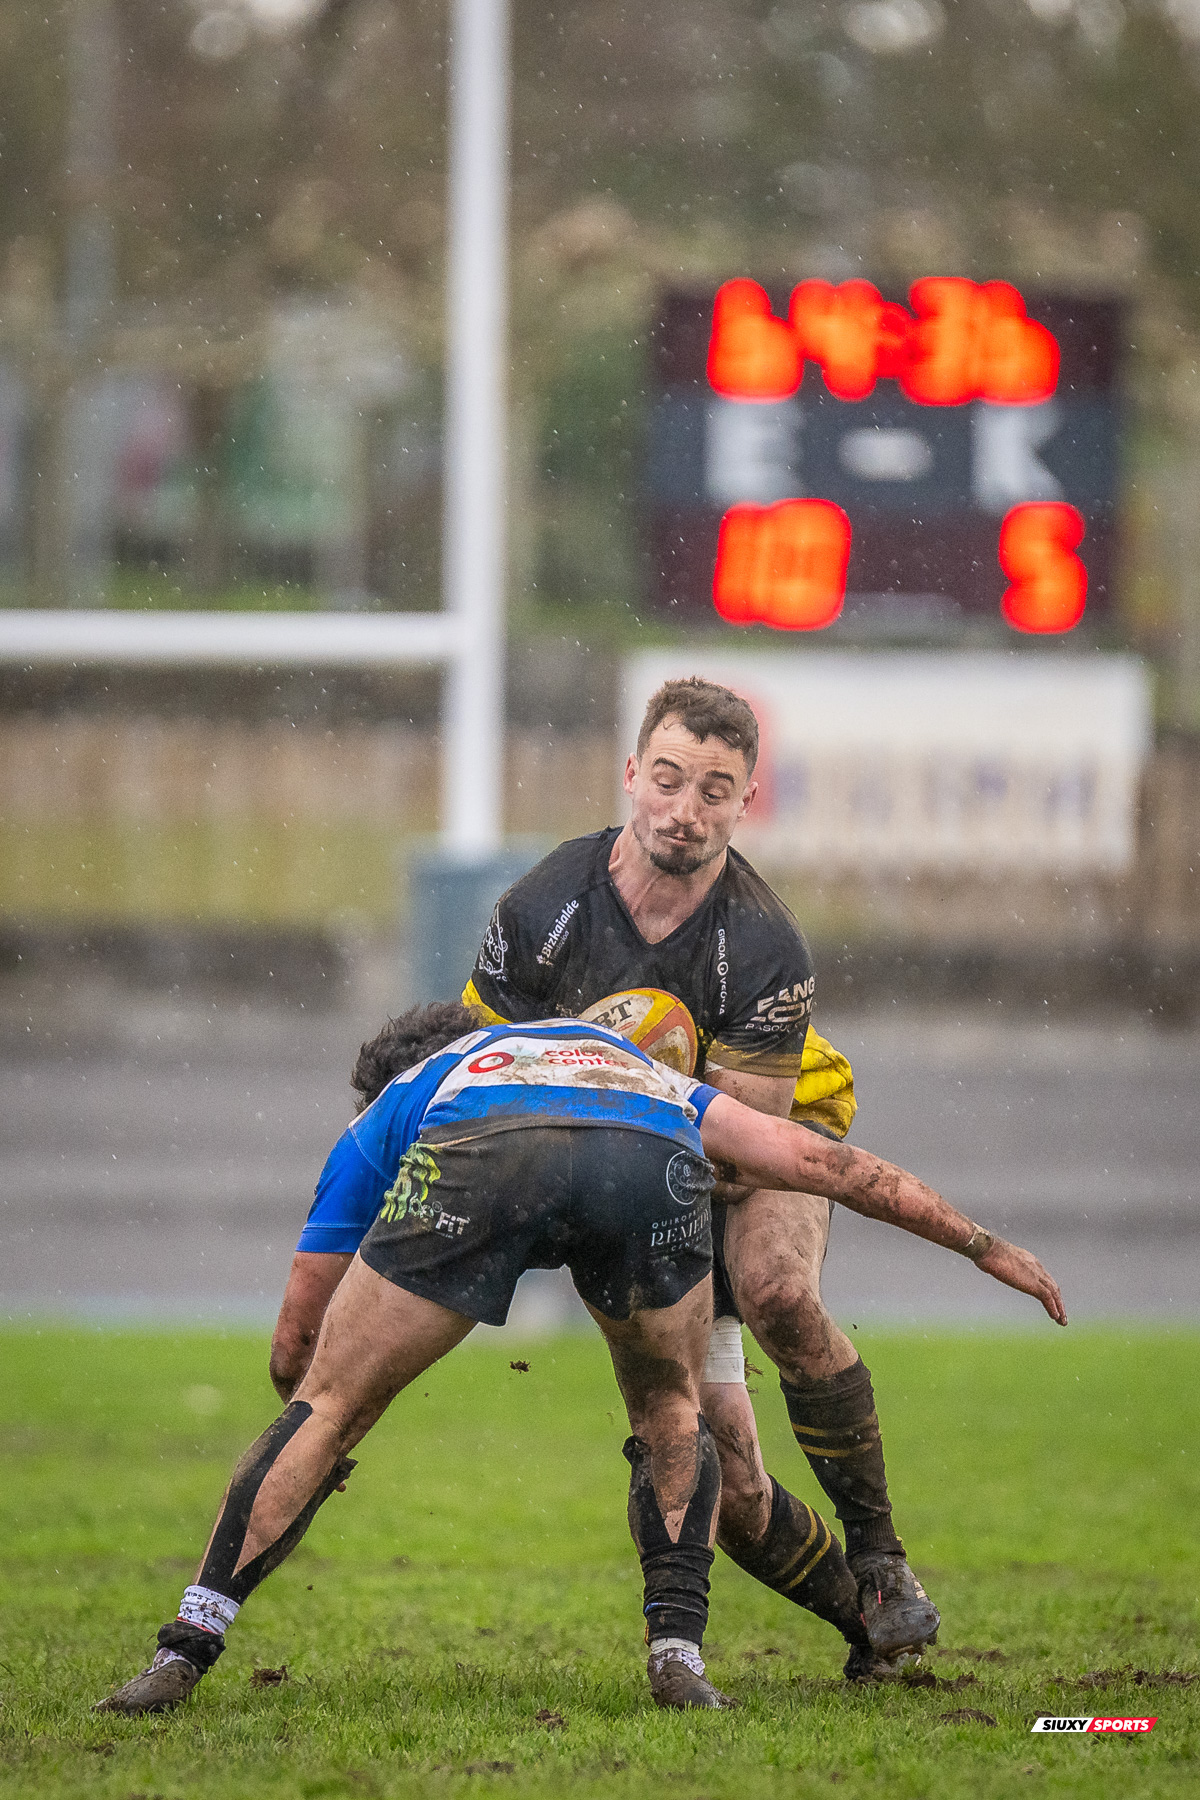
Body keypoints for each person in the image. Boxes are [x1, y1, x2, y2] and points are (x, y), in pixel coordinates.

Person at [97, 1003, 1065, 1719]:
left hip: (482, 1150)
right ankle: (677, 1658)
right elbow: (824, 1165)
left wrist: (321, 1441)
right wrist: (985, 1246)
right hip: (638, 1153)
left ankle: (186, 1645)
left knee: (328, 1403)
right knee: (671, 1411)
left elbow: (293, 1340)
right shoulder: (643, 1072)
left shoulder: (406, 1097)